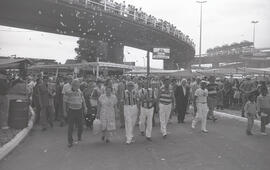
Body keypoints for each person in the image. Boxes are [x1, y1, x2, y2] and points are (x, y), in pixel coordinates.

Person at [66, 79, 87, 148]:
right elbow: (64, 102)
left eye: (78, 85)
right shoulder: (68, 92)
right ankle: (70, 141)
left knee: (81, 126)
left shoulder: (80, 91)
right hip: (71, 110)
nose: (77, 86)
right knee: (70, 127)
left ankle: (79, 135)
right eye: (75, 85)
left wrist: (85, 107)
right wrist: (64, 111)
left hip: (79, 110)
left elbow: (83, 100)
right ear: (72, 85)